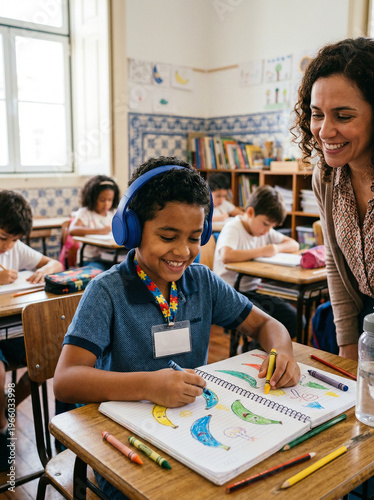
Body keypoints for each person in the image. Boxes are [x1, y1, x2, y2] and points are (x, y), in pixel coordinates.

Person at [53, 156, 300, 499]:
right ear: (132, 228)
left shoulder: (202, 282)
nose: (183, 251)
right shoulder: (107, 291)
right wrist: (148, 385)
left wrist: (282, 351)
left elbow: (267, 324)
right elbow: (66, 381)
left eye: (195, 237)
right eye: (168, 236)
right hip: (129, 446)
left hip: (193, 433)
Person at [291, 37, 374, 361]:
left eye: (343, 116)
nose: (324, 131)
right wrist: (348, 347)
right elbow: (336, 265)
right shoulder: (326, 177)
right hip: (364, 320)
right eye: (316, 114)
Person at [0, 190, 63, 471]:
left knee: (49, 355)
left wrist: (45, 269)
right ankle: (2, 426)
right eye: (3, 238)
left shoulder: (14, 248)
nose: (8, 246)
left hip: (10, 327)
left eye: (14, 240)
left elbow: (55, 264)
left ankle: (5, 404)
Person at [213, 185, 300, 346]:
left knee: (295, 320)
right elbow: (226, 255)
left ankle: (249, 349)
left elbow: (294, 245)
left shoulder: (264, 230)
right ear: (250, 212)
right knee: (267, 324)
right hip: (231, 292)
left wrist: (275, 248)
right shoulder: (233, 227)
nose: (268, 230)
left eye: (272, 226)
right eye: (266, 224)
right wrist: (263, 250)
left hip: (254, 291)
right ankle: (249, 352)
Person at [69, 175, 120, 270]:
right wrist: (100, 230)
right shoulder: (86, 213)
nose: (106, 204)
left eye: (110, 200)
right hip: (91, 259)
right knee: (100, 274)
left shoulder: (113, 213)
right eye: (102, 200)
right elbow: (73, 230)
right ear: (92, 198)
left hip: (112, 257)